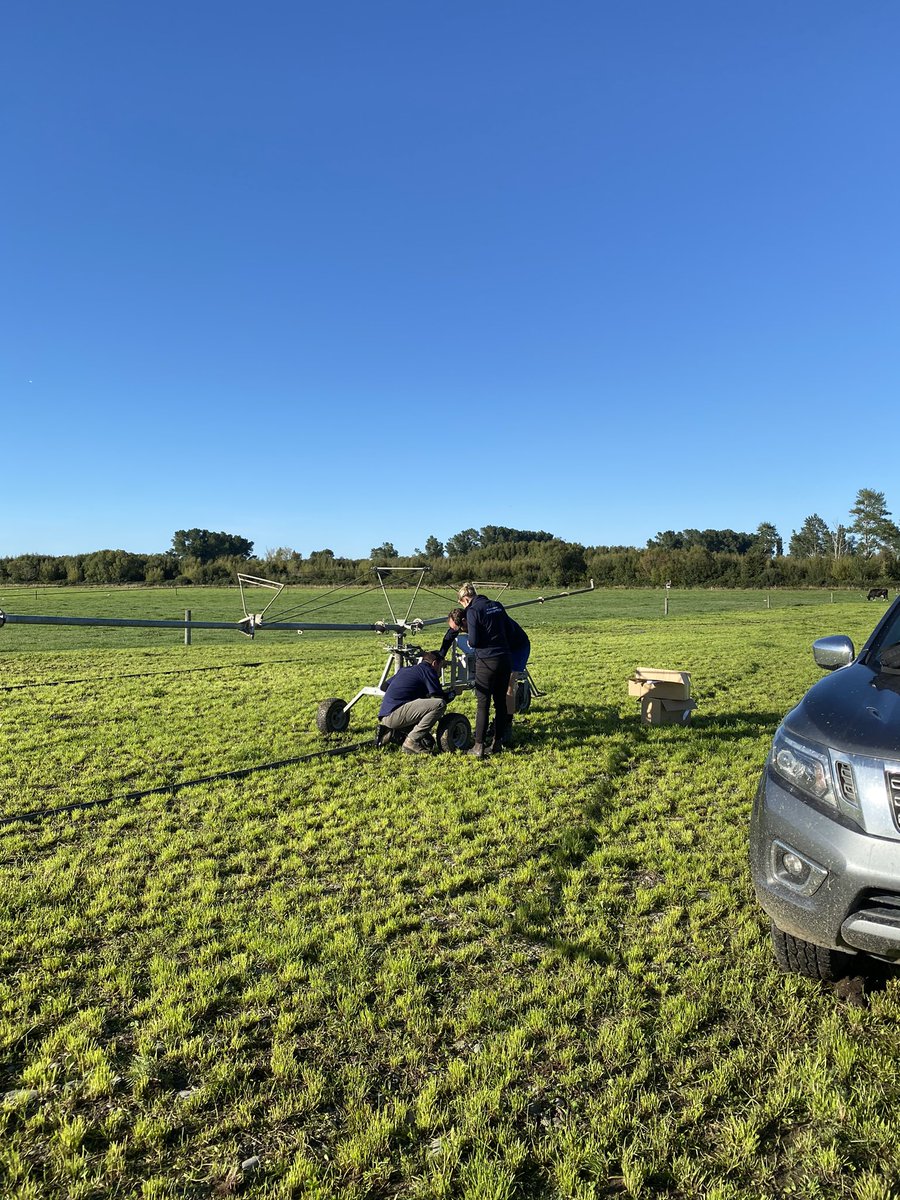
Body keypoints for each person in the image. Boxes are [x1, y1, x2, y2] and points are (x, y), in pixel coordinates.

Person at [441, 604, 530, 745]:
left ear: (464, 621)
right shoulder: (469, 618)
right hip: (498, 651)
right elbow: (453, 632)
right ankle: (494, 735)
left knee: (507, 688)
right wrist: (441, 654)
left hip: (514, 647)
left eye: (459, 629)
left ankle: (505, 727)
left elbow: (481, 642)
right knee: (492, 695)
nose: (458, 632)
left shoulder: (483, 621)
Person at [456, 582, 511, 758]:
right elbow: (508, 629)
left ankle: (478, 746)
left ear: (465, 599)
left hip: (487, 660)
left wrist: (471, 641)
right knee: (501, 701)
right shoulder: (497, 605)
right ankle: (497, 743)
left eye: (462, 604)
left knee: (483, 703)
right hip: (505, 657)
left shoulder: (473, 611)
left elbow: (474, 640)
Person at [377, 650, 449, 754]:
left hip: (385, 715)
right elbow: (439, 697)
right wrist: (454, 693)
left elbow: (384, 687)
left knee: (429, 741)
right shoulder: (428, 671)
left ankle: (391, 732)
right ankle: (411, 741)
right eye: (441, 666)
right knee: (440, 704)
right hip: (395, 715)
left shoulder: (405, 670)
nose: (440, 671)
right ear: (434, 663)